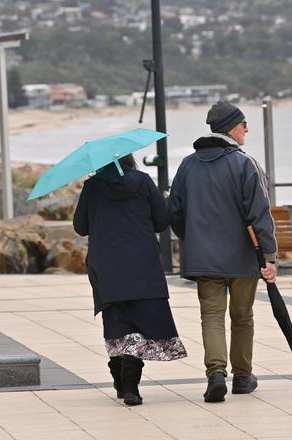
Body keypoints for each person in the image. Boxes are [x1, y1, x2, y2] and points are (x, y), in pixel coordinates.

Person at [168, 100, 277, 403]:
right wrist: (269, 257)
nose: (247, 130)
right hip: (243, 257)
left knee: (211, 316)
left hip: (204, 259)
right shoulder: (245, 164)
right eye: (244, 124)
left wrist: (193, 238)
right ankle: (242, 377)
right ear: (232, 127)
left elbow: (173, 211)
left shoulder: (188, 165)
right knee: (242, 316)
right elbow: (260, 214)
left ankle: (216, 374)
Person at [73, 154, 187, 407]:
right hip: (142, 263)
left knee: (116, 323)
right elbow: (161, 222)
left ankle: (121, 381)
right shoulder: (144, 181)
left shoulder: (92, 186)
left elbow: (80, 227)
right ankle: (130, 386)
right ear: (129, 159)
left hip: (106, 265)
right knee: (141, 325)